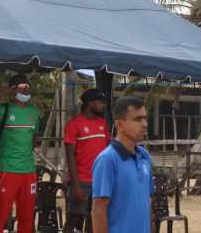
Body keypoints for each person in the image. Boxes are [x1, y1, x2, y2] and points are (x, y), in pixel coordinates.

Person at [0, 74, 40, 233]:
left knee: (27, 216)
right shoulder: (1, 111)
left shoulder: (34, 113)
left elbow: (33, 141)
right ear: (13, 89)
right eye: (23, 85)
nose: (27, 88)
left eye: (28, 85)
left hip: (28, 172)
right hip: (6, 171)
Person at [91, 96, 154, 233]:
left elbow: (146, 202)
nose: (144, 124)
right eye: (137, 119)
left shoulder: (144, 156)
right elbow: (98, 211)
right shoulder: (107, 160)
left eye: (145, 118)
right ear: (119, 125)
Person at [63, 88, 110, 233]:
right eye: (100, 102)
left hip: (100, 181)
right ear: (90, 103)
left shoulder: (102, 122)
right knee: (73, 219)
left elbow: (109, 150)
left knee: (94, 220)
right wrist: (76, 185)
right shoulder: (74, 125)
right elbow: (70, 157)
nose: (103, 106)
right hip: (81, 181)